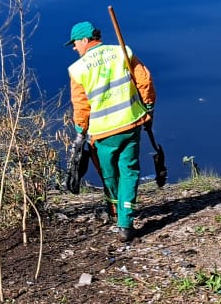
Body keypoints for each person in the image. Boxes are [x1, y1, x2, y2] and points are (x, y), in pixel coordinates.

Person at [66, 20, 156, 243]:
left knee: (109, 175)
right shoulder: (122, 52)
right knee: (129, 171)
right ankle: (125, 222)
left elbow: (81, 106)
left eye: (75, 43)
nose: (74, 48)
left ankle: (115, 212)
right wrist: (149, 108)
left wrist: (80, 131)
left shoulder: (78, 69)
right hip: (130, 124)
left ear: (86, 40)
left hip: (103, 132)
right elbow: (144, 80)